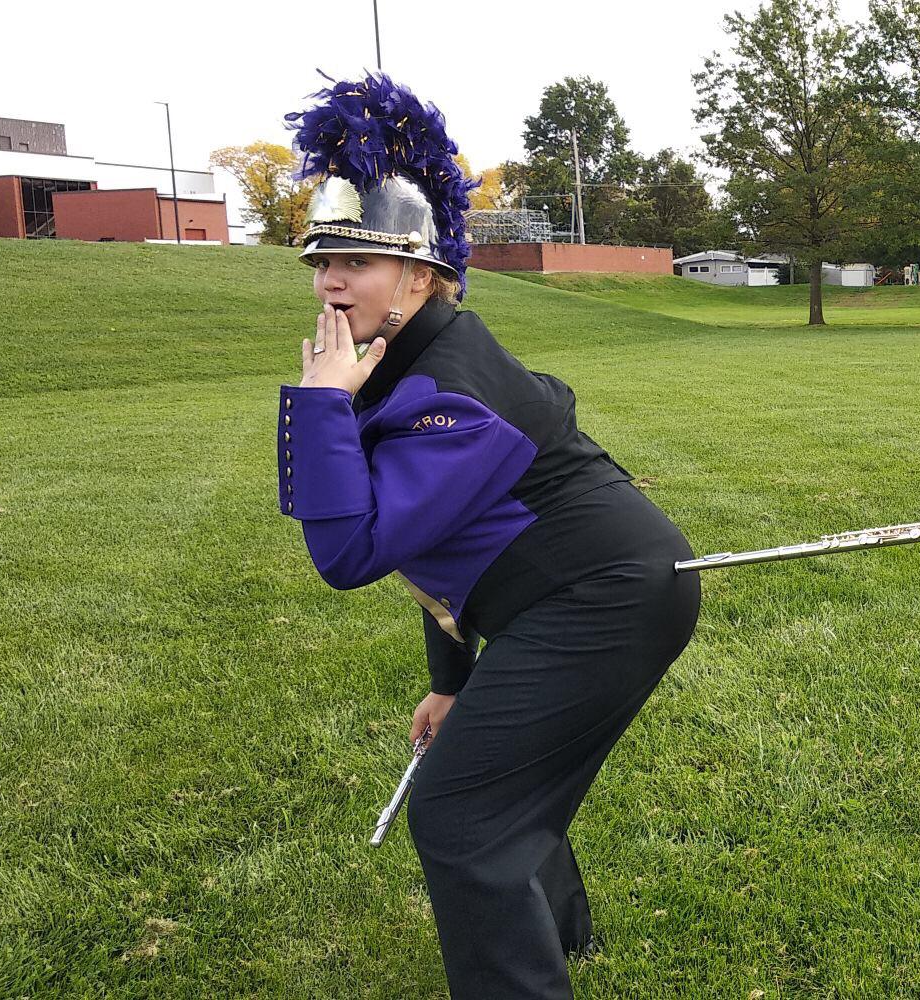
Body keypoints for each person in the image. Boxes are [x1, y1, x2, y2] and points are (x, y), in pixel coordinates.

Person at [276, 73, 699, 999]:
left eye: (356, 262)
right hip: (563, 596)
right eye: (320, 261)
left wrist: (318, 412)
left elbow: (351, 553)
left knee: (465, 816)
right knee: (501, 790)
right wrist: (452, 684)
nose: (330, 280)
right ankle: (564, 938)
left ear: (422, 278)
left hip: (605, 598)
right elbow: (443, 553)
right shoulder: (392, 366)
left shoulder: (451, 392)